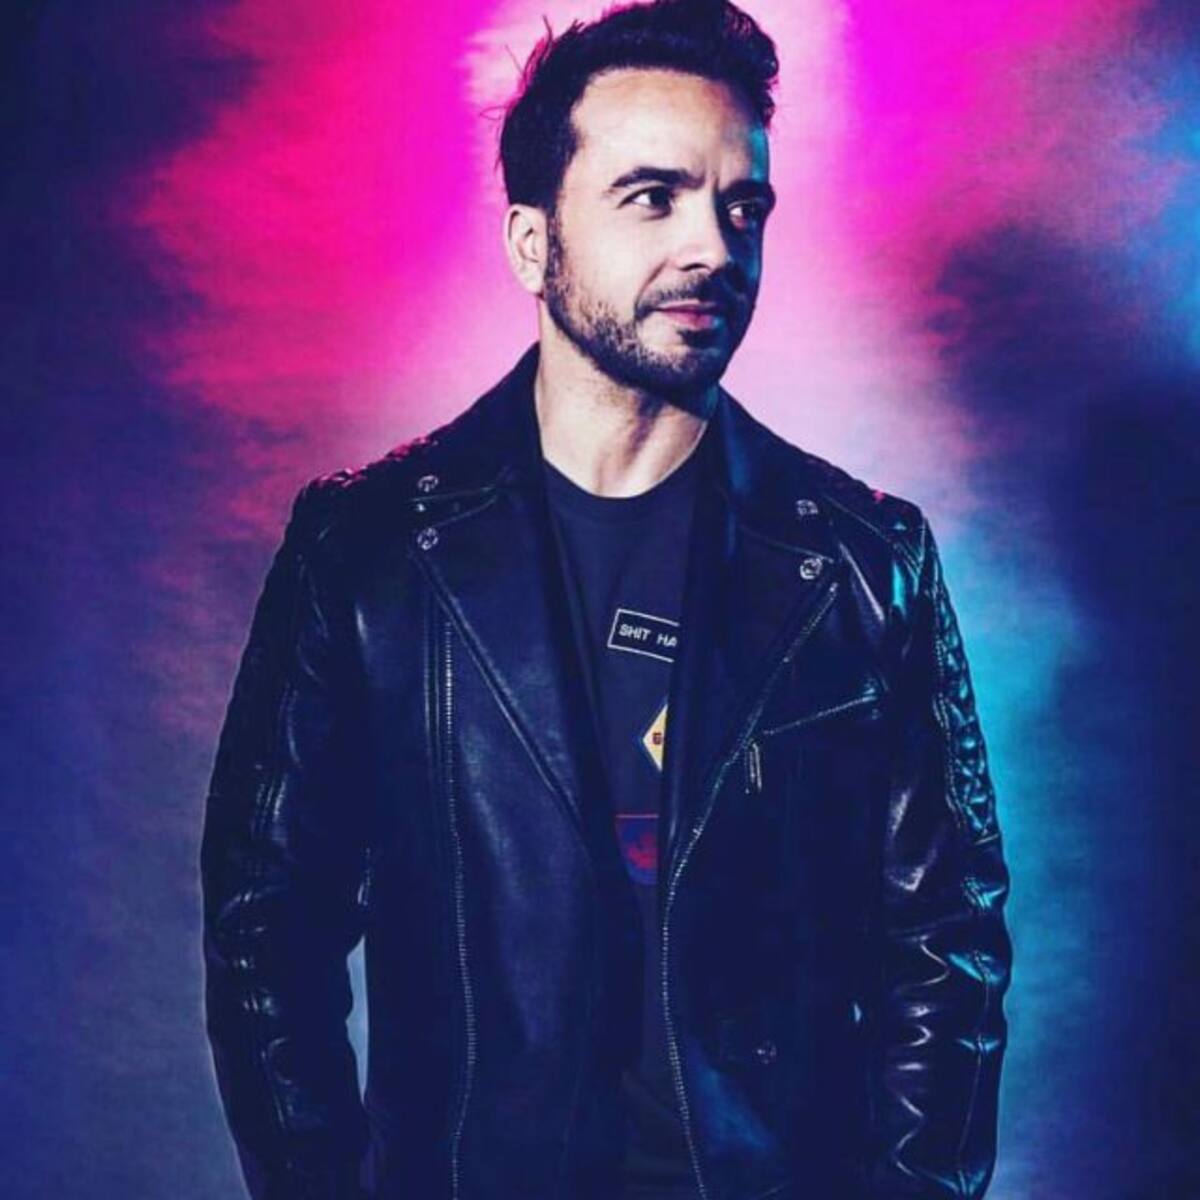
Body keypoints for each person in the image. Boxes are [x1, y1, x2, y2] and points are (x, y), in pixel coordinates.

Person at [199, 2, 1013, 1198]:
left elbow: (945, 944)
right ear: (534, 245)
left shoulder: (862, 564)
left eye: (743, 207)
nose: (714, 247)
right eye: (653, 197)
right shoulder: (368, 556)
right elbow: (267, 927)